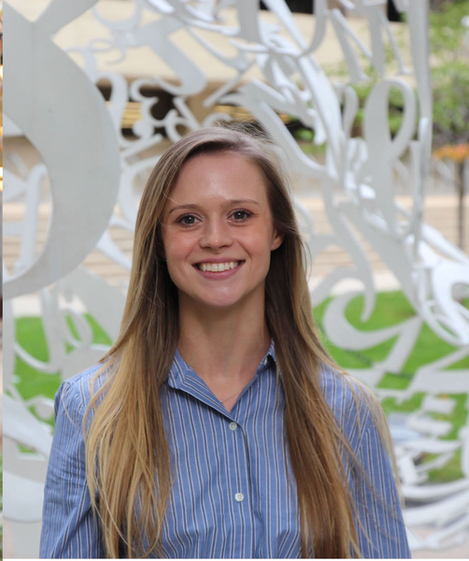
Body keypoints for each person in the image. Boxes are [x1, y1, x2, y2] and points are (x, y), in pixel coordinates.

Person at [39, 126, 410, 559]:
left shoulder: (347, 409)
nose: (215, 238)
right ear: (159, 241)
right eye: (188, 219)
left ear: (277, 233)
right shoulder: (92, 407)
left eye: (240, 215)